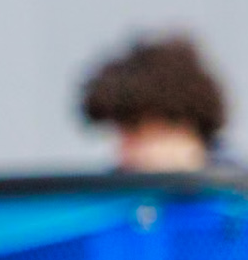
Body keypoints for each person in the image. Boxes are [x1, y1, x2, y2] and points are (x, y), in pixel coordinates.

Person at [78, 33, 229, 172]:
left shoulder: (241, 194)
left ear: (178, 126)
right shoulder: (111, 193)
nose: (123, 153)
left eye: (136, 132)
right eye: (121, 134)